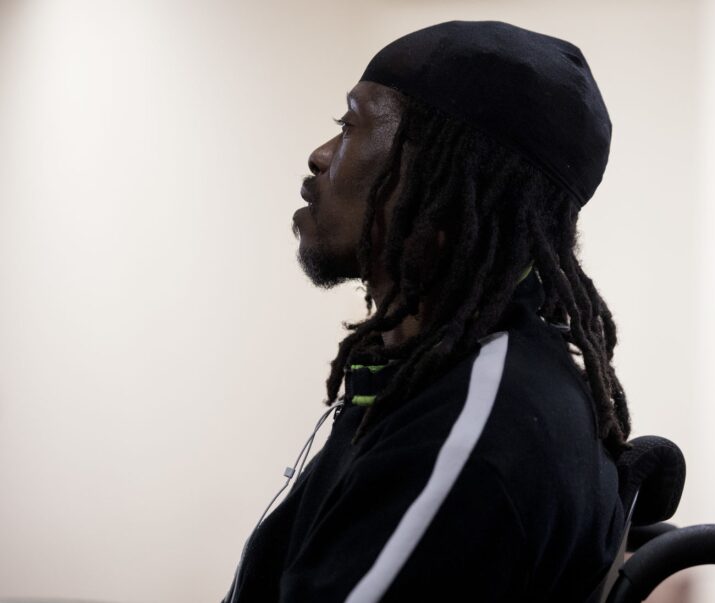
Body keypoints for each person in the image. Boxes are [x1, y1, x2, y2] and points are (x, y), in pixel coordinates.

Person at [224, 20, 631, 603]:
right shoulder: (438, 378)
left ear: (449, 172)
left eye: (349, 127)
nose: (320, 156)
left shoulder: (473, 431)